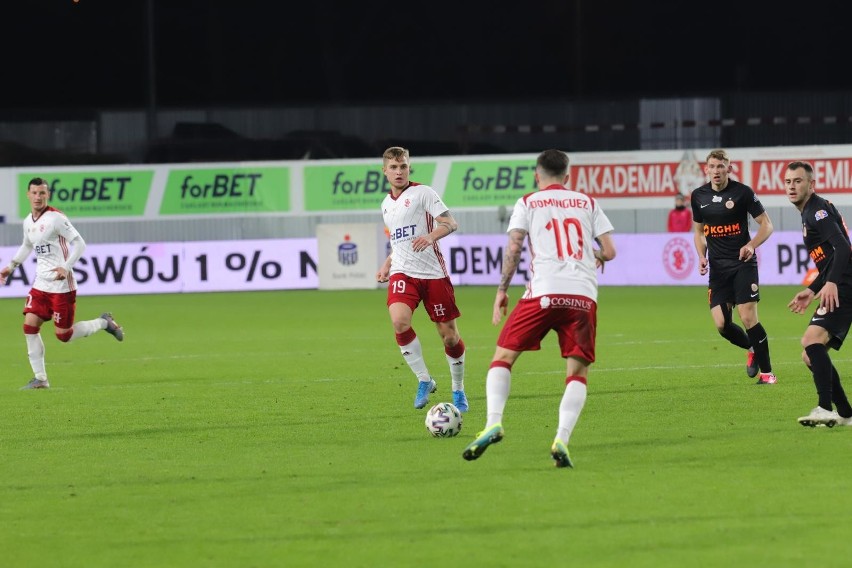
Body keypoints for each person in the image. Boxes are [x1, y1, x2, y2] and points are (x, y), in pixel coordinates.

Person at [462, 149, 616, 468]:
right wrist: (594, 256)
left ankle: (493, 421)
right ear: (568, 176)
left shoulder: (528, 201)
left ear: (537, 175)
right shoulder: (587, 202)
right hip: (583, 296)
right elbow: (611, 251)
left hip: (544, 292)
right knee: (577, 373)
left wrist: (502, 290)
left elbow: (515, 246)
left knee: (502, 358)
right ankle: (561, 438)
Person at [0, 177, 124, 390]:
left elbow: (80, 244)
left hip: (61, 286)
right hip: (40, 284)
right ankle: (40, 378)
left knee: (63, 335)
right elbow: (27, 245)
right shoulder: (28, 221)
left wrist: (65, 267)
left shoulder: (56, 219)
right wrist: (11, 266)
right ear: (28, 195)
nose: (38, 197)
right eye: (35, 193)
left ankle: (105, 323)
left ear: (47, 195)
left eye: (42, 193)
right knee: (29, 326)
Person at [375, 147, 468, 412]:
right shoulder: (385, 205)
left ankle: (458, 389)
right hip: (403, 272)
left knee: (449, 336)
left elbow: (451, 223)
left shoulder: (423, 193)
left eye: (403, 166)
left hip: (433, 274)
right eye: (393, 167)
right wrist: (387, 264)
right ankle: (424, 380)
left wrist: (430, 236)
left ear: (408, 168)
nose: (399, 171)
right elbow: (399, 241)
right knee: (399, 321)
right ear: (385, 171)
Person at [691, 149, 777, 384]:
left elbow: (766, 225)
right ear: (706, 169)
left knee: (747, 316)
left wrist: (751, 245)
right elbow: (699, 232)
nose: (716, 171)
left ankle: (768, 375)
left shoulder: (743, 193)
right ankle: (752, 348)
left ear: (729, 167)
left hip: (743, 264)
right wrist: (701, 255)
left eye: (721, 166)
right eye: (712, 166)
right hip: (718, 270)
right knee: (721, 324)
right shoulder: (698, 196)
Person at [785, 161, 852, 427]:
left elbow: (844, 249)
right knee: (810, 353)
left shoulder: (817, 211)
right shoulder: (810, 211)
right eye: (788, 182)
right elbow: (830, 256)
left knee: (811, 341)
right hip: (841, 282)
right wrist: (813, 289)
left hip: (845, 284)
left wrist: (832, 282)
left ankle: (825, 407)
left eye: (798, 181)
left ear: (811, 185)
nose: (792, 186)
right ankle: (846, 413)